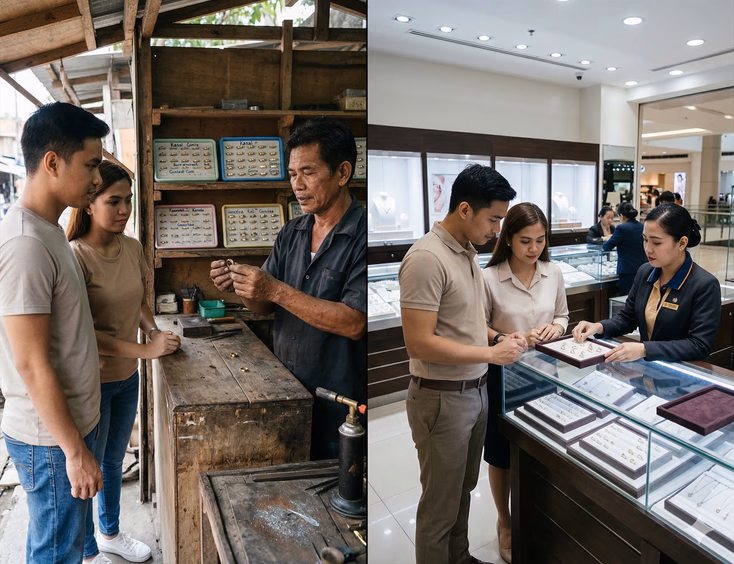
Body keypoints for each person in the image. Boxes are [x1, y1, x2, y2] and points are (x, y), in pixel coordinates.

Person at [210, 118, 366, 460]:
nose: (298, 185)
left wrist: (275, 290)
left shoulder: (364, 237)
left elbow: (354, 322)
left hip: (340, 403)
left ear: (342, 173)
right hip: (288, 393)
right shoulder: (292, 232)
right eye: (292, 174)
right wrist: (242, 285)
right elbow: (264, 306)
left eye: (308, 172)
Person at [399, 164, 526, 564]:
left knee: (462, 490)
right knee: (439, 506)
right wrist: (490, 354)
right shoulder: (426, 258)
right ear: (466, 209)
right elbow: (419, 343)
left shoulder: (467, 253)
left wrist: (496, 338)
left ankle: (461, 557)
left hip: (474, 392)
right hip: (441, 399)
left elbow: (463, 325)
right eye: (494, 219)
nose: (498, 229)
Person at [0, 102, 107, 562]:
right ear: (52, 162)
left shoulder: (49, 230)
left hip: (68, 429)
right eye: (91, 165)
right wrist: (74, 451)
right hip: (50, 441)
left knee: (62, 542)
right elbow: (29, 361)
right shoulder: (25, 243)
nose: (98, 179)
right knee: (55, 553)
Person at [67, 161, 181, 563]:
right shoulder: (75, 256)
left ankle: (110, 532)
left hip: (125, 378)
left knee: (113, 462)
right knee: (86, 471)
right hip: (89, 383)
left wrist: (151, 330)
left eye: (128, 200)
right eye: (113, 201)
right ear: (88, 204)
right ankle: (84, 548)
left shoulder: (131, 247)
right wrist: (146, 351)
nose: (124, 210)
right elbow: (84, 334)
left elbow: (139, 304)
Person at [482, 202, 569, 563]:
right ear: (508, 239)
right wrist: (507, 338)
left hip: (548, 373)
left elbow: (563, 315)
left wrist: (557, 328)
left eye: (540, 240)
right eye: (525, 241)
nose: (534, 249)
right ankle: (505, 521)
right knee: (502, 455)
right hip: (504, 376)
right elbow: (478, 327)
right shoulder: (489, 277)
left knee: (543, 449)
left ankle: (538, 512)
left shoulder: (554, 272)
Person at [573, 204, 720, 362]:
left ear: (682, 243)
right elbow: (628, 318)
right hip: (649, 371)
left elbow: (699, 346)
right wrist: (599, 327)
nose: (648, 249)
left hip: (682, 378)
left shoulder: (704, 285)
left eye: (656, 243)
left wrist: (645, 349)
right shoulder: (645, 272)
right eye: (644, 240)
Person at [603, 202, 647, 295]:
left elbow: (607, 247)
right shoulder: (642, 226)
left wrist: (607, 239)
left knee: (627, 300)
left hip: (628, 272)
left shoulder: (622, 228)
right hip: (644, 269)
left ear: (621, 216)